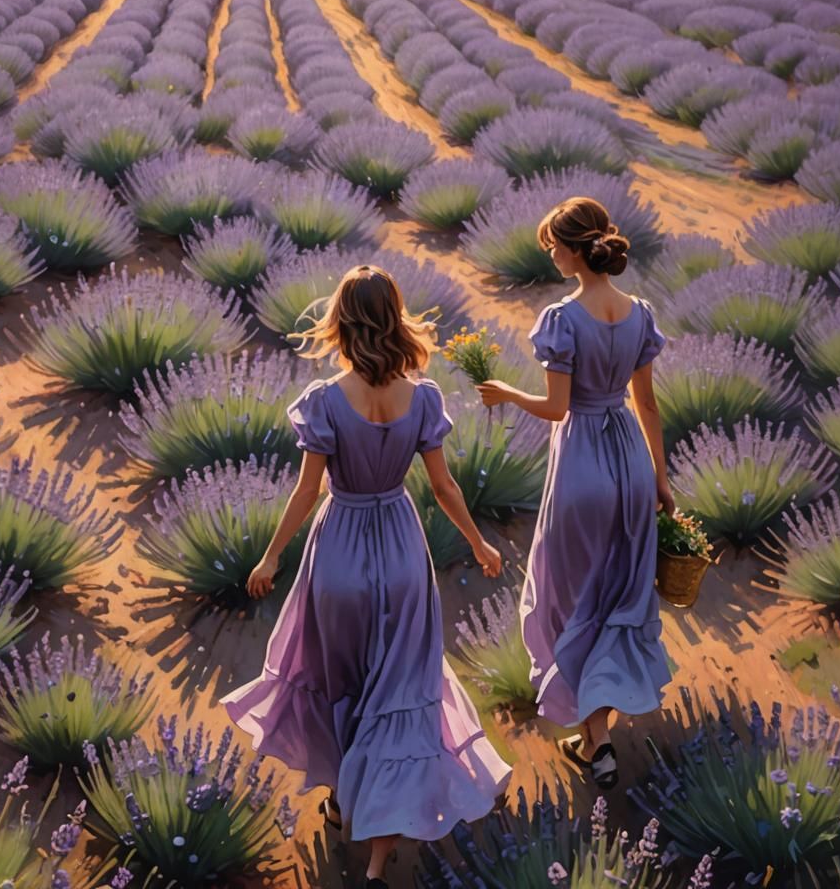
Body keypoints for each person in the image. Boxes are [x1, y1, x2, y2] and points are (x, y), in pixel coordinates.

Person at [221, 264, 512, 889]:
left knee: (341, 683)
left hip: (341, 554)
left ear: (344, 324)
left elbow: (307, 491)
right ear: (394, 318)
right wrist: (480, 542)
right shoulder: (424, 397)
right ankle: (379, 856)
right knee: (397, 695)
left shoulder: (326, 400)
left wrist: (272, 556)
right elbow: (441, 486)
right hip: (403, 555)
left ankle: (343, 798)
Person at [478, 197, 673, 790]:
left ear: (573, 247)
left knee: (570, 600)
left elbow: (558, 408)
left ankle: (598, 740)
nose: (551, 255)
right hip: (631, 464)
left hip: (584, 463)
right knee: (618, 597)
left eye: (552, 246)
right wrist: (661, 480)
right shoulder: (638, 312)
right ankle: (598, 739)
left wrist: (506, 394)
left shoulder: (563, 318)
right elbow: (648, 404)